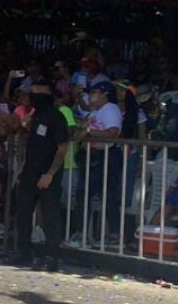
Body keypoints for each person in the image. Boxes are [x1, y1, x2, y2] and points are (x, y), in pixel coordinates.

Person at [10, 78, 71, 271]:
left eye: (37, 93)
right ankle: (23, 252)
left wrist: (50, 174)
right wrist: (22, 168)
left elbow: (62, 148)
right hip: (30, 172)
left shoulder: (57, 117)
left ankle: (52, 256)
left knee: (50, 215)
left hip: (47, 174)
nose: (33, 96)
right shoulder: (35, 116)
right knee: (23, 212)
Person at [80, 80, 124, 246]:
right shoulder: (95, 111)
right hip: (92, 156)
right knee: (86, 195)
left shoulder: (110, 109)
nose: (92, 95)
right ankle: (83, 233)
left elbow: (113, 132)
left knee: (107, 196)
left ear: (105, 94)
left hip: (106, 157)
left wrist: (89, 132)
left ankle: (114, 235)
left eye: (95, 92)